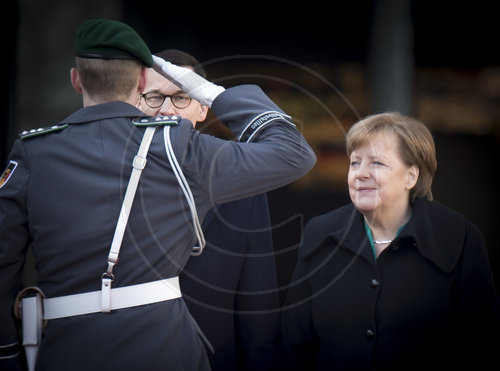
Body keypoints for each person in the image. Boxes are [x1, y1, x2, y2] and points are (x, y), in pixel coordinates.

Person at [0, 19, 316, 371]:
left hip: (67, 349)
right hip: (163, 347)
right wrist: (212, 92)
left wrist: (9, 352)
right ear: (139, 83)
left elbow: (3, 261)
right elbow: (293, 154)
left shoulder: (33, 151)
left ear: (76, 79)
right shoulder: (174, 144)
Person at [280, 112, 500, 370]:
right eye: (354, 163)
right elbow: (292, 345)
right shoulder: (319, 233)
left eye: (377, 163)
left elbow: (483, 344)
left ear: (411, 176)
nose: (360, 174)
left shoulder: (460, 239)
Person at [138, 48, 280, 371]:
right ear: (136, 100)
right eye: (154, 97)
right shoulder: (104, 176)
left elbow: (258, 307)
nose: (166, 110)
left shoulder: (242, 188)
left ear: (203, 107)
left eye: (181, 98)